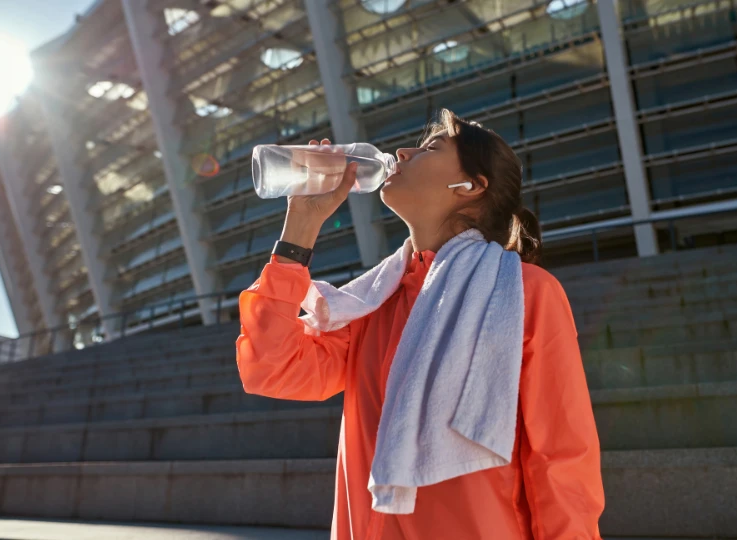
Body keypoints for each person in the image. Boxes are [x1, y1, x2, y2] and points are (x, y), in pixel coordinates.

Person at [236, 109, 604, 539]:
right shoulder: (369, 303)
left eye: (431, 148)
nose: (402, 152)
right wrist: (301, 222)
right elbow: (270, 367)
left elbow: (560, 455)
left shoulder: (525, 292)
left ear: (470, 187)